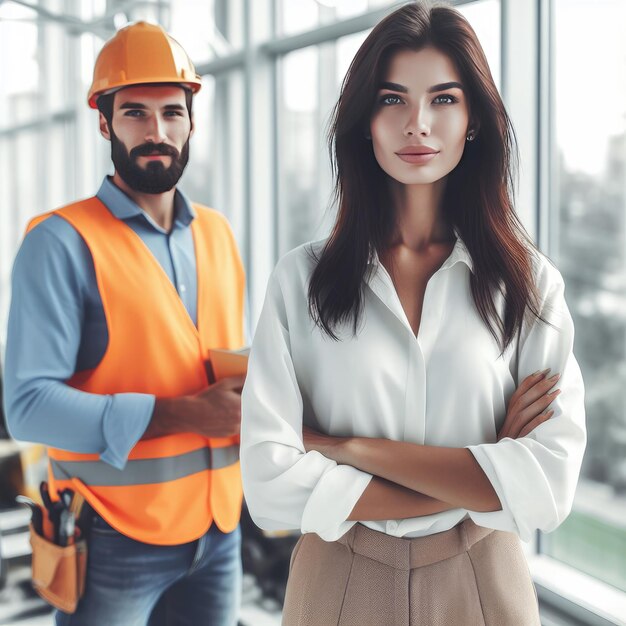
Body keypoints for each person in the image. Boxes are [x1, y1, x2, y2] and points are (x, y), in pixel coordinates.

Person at [240, 3, 586, 625]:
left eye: (444, 100)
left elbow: (549, 485)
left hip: (484, 581)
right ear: (365, 121)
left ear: (475, 119)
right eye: (392, 99)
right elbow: (268, 490)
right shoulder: (301, 281)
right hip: (337, 579)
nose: (417, 124)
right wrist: (484, 468)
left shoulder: (528, 284)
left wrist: (341, 447)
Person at [4, 21, 246, 626]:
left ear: (193, 121)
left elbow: (212, 362)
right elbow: (27, 406)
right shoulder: (59, 241)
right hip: (112, 536)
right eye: (135, 113)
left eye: (172, 112)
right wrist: (183, 414)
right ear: (104, 123)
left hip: (219, 532)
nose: (156, 132)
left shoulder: (217, 234)